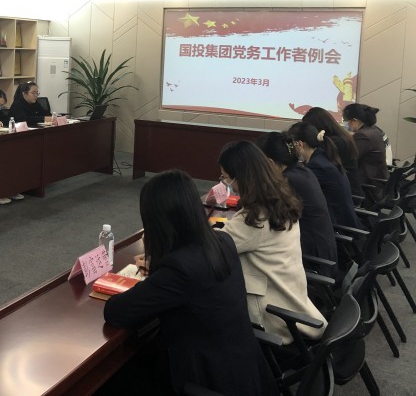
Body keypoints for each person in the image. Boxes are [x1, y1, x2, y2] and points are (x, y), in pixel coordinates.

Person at [102, 169, 274, 395]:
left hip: (207, 381)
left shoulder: (179, 268)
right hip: (246, 372)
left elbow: (116, 311)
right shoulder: (222, 241)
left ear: (157, 220)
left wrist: (155, 275)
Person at [217, 141, 326, 345]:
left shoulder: (256, 218)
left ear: (242, 178)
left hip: (272, 322)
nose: (227, 184)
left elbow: (211, 249)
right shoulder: (280, 200)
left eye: (226, 178)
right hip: (292, 303)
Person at [256, 132, 337, 273]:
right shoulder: (302, 171)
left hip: (312, 260)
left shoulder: (288, 181)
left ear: (269, 162)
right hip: (322, 251)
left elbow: (266, 216)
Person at [287, 122, 361, 229]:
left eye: (291, 146)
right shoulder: (323, 156)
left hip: (338, 226)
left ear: (299, 144)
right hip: (343, 220)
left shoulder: (317, 166)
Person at [302, 106, 361, 195]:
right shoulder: (342, 137)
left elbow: (318, 168)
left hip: (346, 193)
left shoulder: (333, 143)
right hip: (347, 189)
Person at [342, 103, 391, 191]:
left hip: (367, 187)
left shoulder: (363, 135)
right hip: (377, 183)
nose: (347, 124)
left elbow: (349, 159)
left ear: (354, 120)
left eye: (347, 121)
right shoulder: (374, 130)